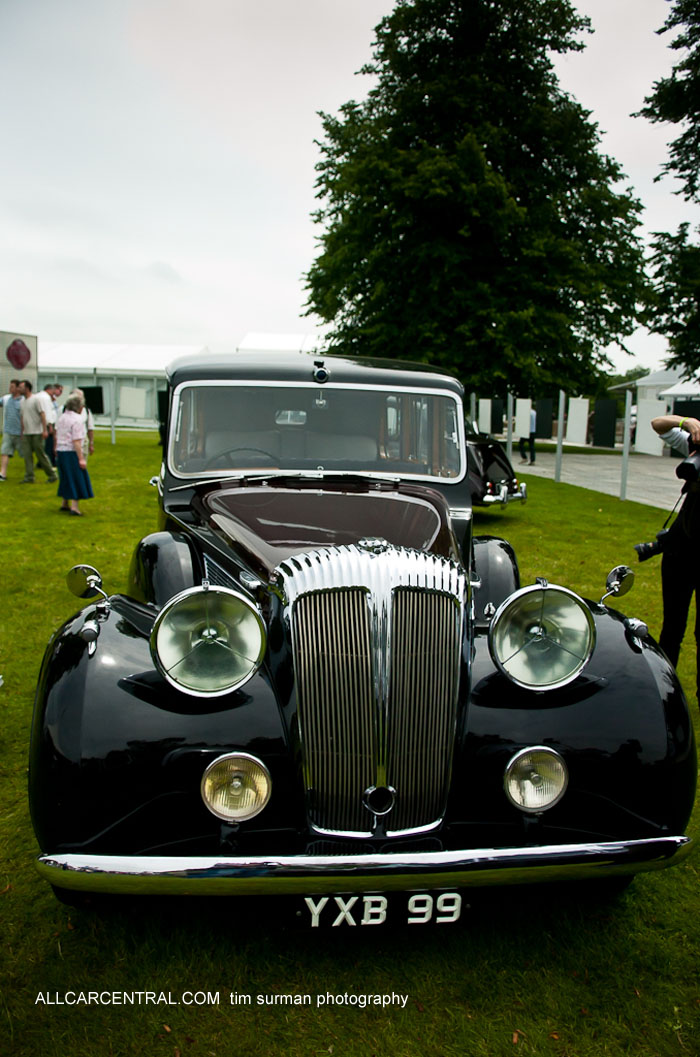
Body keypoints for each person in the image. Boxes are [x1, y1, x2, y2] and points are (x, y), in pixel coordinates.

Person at [651, 413, 700, 701]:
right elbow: (658, 424)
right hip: (681, 550)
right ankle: (664, 692)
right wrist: (688, 422)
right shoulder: (696, 445)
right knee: (672, 627)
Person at [55, 393, 94, 515]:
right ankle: (74, 507)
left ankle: (64, 502)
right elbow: (76, 441)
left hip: (61, 451)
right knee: (76, 478)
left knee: (65, 477)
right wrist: (81, 458)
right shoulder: (77, 420)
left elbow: (57, 435)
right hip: (71, 452)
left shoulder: (62, 418)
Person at [20, 380, 58, 484]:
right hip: (27, 433)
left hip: (37, 432)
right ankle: (29, 477)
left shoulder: (36, 399)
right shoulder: (22, 401)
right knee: (27, 455)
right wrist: (22, 431)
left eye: (21, 387)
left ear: (27, 388)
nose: (19, 389)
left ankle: (52, 475)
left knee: (40, 455)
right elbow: (22, 417)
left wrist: (45, 430)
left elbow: (42, 414)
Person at [0, 378, 24, 480]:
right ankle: (2, 473)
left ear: (18, 388)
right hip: (7, 431)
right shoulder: (6, 398)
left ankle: (29, 474)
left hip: (20, 433)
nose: (10, 389)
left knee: (25, 454)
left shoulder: (23, 400)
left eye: (12, 387)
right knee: (4, 452)